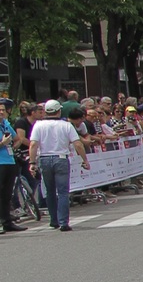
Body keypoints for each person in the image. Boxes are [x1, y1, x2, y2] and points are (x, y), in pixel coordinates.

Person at [26, 99, 90, 231]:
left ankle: (53, 220)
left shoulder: (38, 125)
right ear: (58, 110)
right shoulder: (66, 125)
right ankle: (63, 222)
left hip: (44, 158)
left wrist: (32, 162)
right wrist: (85, 159)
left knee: (50, 191)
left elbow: (33, 144)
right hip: (61, 158)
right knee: (62, 191)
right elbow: (77, 143)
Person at [0, 98, 25, 233]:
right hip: (0, 163)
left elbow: (17, 139)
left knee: (6, 194)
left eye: (3, 110)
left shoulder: (5, 124)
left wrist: (12, 147)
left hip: (9, 161)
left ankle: (7, 221)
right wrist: (3, 143)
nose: (1, 112)